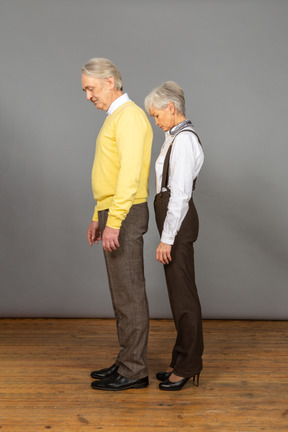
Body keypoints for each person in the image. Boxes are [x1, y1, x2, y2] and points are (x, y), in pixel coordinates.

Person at [81, 58, 153, 391]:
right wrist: (100, 216)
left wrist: (115, 220)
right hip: (113, 212)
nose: (88, 96)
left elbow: (129, 175)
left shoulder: (131, 117)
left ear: (110, 82)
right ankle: (126, 361)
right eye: (85, 90)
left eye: (90, 88)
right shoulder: (116, 118)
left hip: (125, 213)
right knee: (120, 295)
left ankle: (135, 371)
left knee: (130, 295)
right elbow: (109, 175)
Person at [144, 81, 204, 391]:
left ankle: (189, 364)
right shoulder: (174, 138)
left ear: (171, 108)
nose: (156, 122)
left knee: (184, 298)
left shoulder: (184, 141)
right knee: (177, 295)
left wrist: (167, 238)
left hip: (176, 221)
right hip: (171, 218)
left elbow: (179, 194)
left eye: (156, 115)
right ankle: (180, 360)